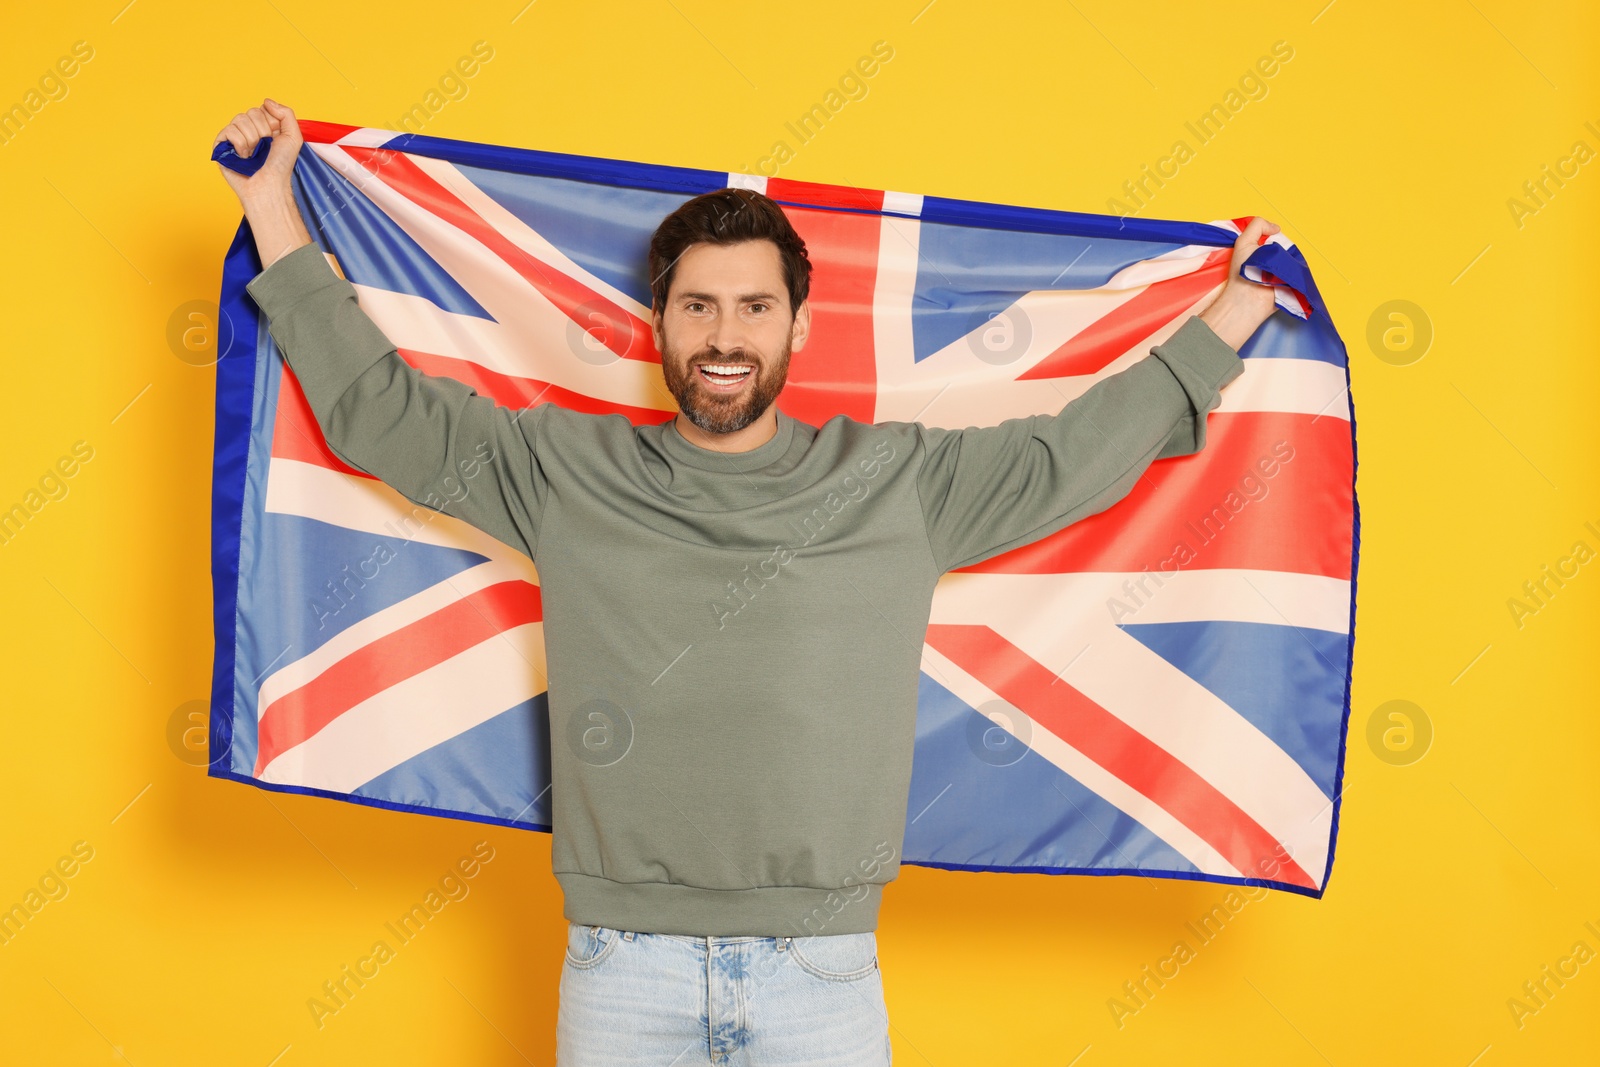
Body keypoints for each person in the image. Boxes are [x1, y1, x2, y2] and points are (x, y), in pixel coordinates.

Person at [214, 99, 1281, 1067]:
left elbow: (1075, 454)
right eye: (699, 308)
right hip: (619, 967)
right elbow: (381, 411)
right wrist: (272, 205)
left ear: (796, 327)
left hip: (822, 973)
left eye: (754, 308)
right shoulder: (566, 471)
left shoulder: (896, 480)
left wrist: (1233, 314)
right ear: (660, 323)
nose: (725, 336)